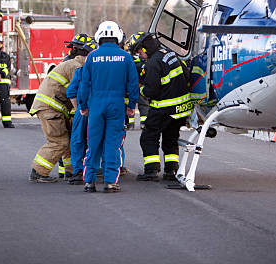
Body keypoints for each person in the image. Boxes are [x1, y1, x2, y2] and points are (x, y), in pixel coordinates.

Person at [78, 21, 139, 193]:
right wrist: (131, 105)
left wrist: (83, 105)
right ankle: (111, 181)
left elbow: (84, 84)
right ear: (118, 36)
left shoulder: (91, 57)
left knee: (93, 143)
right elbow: (133, 84)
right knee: (113, 143)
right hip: (116, 105)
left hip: (96, 105)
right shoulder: (126, 57)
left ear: (99, 36)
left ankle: (89, 181)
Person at [128, 31, 193, 182]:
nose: (139, 54)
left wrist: (139, 88)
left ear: (145, 47)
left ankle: (151, 170)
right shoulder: (169, 53)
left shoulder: (152, 63)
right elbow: (186, 73)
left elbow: (151, 90)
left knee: (148, 137)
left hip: (164, 107)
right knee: (170, 138)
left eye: (139, 51)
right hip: (181, 108)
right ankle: (171, 170)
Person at [28, 44, 86, 183]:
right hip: (50, 109)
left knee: (67, 140)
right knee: (59, 142)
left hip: (51, 108)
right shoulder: (76, 67)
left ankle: (71, 171)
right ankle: (38, 171)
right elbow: (79, 91)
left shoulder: (73, 63)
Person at [65, 40, 97, 185]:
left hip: (83, 109)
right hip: (98, 109)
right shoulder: (104, 71)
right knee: (101, 140)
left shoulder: (82, 70)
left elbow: (72, 92)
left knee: (78, 139)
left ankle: (78, 171)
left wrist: (79, 108)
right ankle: (100, 169)